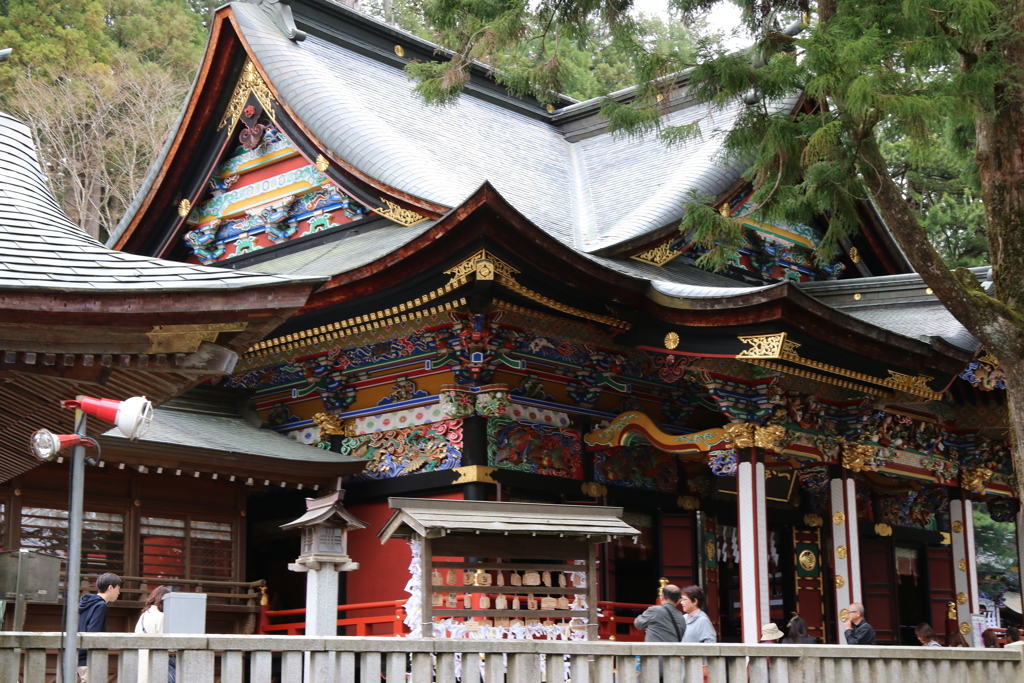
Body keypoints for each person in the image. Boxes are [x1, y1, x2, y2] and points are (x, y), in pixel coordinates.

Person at [77, 573, 122, 682]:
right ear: (110, 588)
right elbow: (94, 633)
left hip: (80, 656)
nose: (119, 593)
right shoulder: (100, 605)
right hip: (90, 658)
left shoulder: (87, 603)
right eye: (118, 589)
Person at [136, 586, 176, 683]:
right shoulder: (161, 617)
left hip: (143, 663)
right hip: (157, 665)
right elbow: (166, 644)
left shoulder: (144, 615)